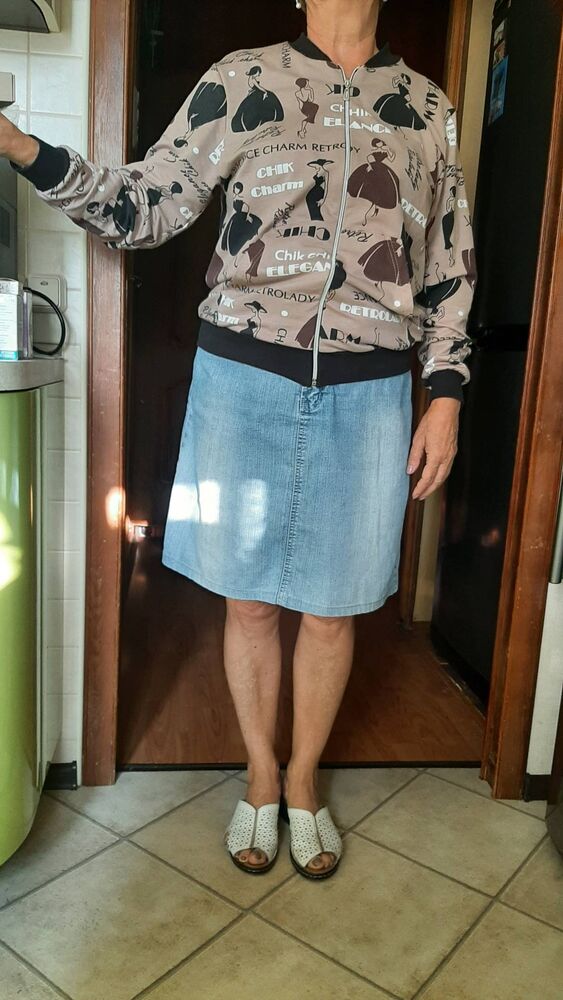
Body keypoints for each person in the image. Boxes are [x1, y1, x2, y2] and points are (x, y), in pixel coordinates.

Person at [1, 0, 477, 880]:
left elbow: (448, 261)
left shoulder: (425, 105)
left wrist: (443, 394)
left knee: (333, 609)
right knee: (250, 602)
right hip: (243, 382)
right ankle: (259, 774)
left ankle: (302, 782)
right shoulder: (242, 78)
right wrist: (22, 147)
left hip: (371, 390)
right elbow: (143, 207)